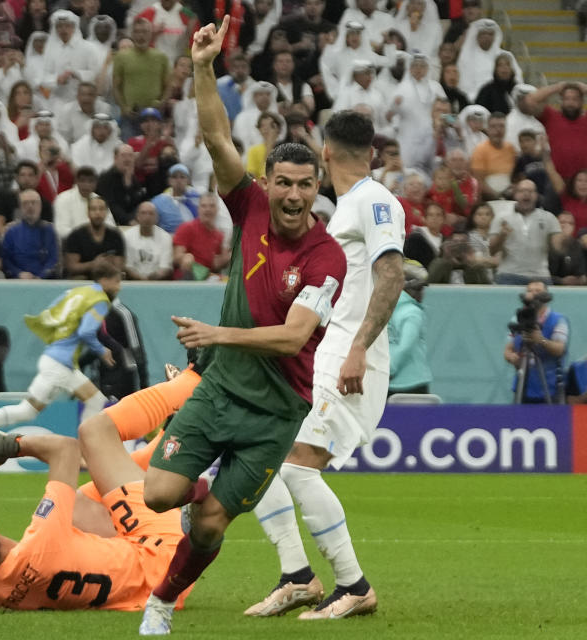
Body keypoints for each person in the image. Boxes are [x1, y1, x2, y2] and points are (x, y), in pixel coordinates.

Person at [137, 18, 348, 635]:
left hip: (277, 409)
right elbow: (214, 136)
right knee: (158, 496)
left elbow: (292, 337)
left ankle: (162, 604)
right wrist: (203, 66)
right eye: (283, 182)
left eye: (305, 186)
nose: (292, 195)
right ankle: (200, 484)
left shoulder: (325, 256)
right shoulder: (249, 203)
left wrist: (216, 334)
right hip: (223, 388)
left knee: (208, 527)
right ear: (269, 182)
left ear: (316, 189)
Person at [244, 109, 405, 622]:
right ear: (372, 152)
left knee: (292, 463)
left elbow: (393, 275)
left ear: (326, 152)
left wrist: (358, 346)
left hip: (351, 358)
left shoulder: (375, 201)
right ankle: (297, 577)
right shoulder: (345, 208)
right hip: (326, 353)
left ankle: (353, 586)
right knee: (259, 454)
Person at [0, 362, 207, 610]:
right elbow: (65, 451)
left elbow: (24, 569)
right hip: (165, 555)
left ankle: (173, 431)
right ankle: (194, 382)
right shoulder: (44, 536)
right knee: (94, 432)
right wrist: (14, 445)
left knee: (86, 501)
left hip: (158, 590)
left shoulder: (0, 597)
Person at [0, 262, 122, 447]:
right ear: (104, 280)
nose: (119, 286)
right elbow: (86, 332)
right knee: (94, 400)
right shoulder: (100, 301)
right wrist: (102, 350)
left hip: (56, 359)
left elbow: (52, 311)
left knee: (28, 411)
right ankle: (84, 451)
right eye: (116, 281)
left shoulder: (78, 292)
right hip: (61, 364)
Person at [503, 281, 569, 404]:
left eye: (537, 291)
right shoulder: (518, 318)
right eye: (530, 290)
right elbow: (508, 349)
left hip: (550, 387)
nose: (533, 294)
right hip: (523, 385)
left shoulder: (558, 320)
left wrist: (541, 340)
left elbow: (560, 349)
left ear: (546, 296)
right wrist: (512, 357)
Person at [489, 179, 563, 285]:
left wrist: (563, 240)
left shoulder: (549, 218)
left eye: (531, 191)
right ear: (515, 195)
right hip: (508, 275)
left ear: (537, 195)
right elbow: (492, 251)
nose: (526, 194)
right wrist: (502, 235)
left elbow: (558, 250)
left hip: (540, 276)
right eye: (522, 191)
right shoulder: (502, 218)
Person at [113, 17, 170, 141]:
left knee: (154, 153)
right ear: (132, 34)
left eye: (144, 32)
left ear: (150, 34)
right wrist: (124, 108)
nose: (140, 36)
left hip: (154, 116)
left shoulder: (161, 57)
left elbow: (168, 86)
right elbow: (116, 86)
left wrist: (161, 104)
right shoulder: (121, 57)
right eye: (137, 32)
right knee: (128, 151)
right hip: (130, 116)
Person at [387, 261, 431, 396]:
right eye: (419, 289)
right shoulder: (412, 313)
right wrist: (390, 370)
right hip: (412, 383)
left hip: (390, 382)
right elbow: (406, 346)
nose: (422, 293)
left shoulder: (386, 310)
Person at [1, 189, 60, 279]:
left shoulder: (50, 230)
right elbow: (6, 260)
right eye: (25, 203)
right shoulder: (11, 231)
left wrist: (41, 276)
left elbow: (53, 259)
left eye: (34, 203)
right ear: (20, 208)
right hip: (17, 280)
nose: (30, 206)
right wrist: (19, 273)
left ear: (40, 206)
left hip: (45, 280)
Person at [63, 196, 126, 278]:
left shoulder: (115, 236)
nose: (98, 213)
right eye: (93, 209)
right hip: (83, 278)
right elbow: (71, 267)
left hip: (107, 277)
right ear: (88, 213)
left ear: (106, 212)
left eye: (101, 209)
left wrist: (106, 266)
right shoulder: (75, 235)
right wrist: (93, 264)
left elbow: (119, 266)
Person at [172, 193, 230, 280]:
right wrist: (185, 258)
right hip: (186, 276)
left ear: (217, 210)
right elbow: (176, 257)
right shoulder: (187, 227)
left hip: (207, 277)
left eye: (212, 206)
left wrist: (229, 256)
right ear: (198, 209)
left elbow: (214, 265)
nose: (208, 209)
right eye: (204, 206)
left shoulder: (219, 235)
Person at [54, 166, 116, 239]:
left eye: (90, 181)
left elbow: (111, 226)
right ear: (76, 181)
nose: (86, 185)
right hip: (71, 246)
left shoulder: (99, 200)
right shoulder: (63, 199)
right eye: (82, 181)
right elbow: (61, 230)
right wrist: (86, 237)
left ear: (96, 183)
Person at [470, 112, 518, 200]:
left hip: (509, 194)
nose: (498, 130)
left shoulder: (511, 148)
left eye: (501, 126)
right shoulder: (480, 150)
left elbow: (514, 176)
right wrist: (498, 196)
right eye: (493, 126)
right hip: (488, 197)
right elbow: (479, 182)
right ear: (488, 129)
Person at [124, 202, 174, 280]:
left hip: (158, 283)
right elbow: (127, 266)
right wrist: (141, 279)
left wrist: (150, 280)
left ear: (157, 218)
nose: (147, 217)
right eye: (143, 213)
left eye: (151, 214)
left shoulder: (165, 237)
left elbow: (165, 268)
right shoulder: (127, 236)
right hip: (133, 281)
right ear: (137, 216)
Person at [152, 163, 202, 234]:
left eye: (182, 177)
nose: (178, 180)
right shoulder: (158, 201)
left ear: (188, 180)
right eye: (174, 177)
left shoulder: (198, 198)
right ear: (169, 180)